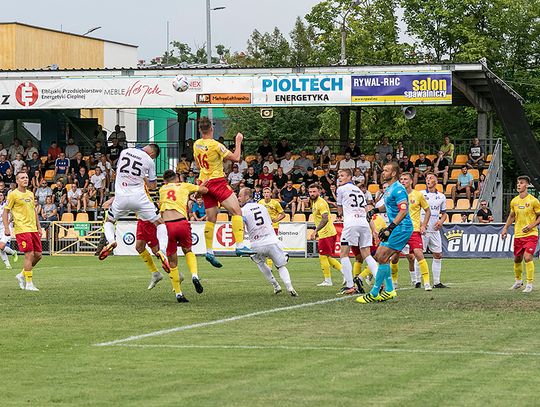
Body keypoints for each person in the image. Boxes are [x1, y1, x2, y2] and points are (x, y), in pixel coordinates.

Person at [193, 117, 255, 268]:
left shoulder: (196, 144)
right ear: (212, 129)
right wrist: (238, 141)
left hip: (204, 182)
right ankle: (239, 245)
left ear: (200, 130)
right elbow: (236, 158)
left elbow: (197, 162)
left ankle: (209, 251)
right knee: (236, 212)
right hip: (217, 181)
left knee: (211, 219)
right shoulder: (216, 145)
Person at [99, 144, 170, 274]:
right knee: (160, 223)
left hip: (120, 198)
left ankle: (111, 241)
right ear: (153, 154)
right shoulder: (149, 161)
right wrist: (145, 178)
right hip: (140, 199)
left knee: (109, 221)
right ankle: (163, 251)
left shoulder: (125, 152)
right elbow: (153, 186)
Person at [357, 162, 414, 304]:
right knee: (380, 257)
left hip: (401, 227)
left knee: (381, 256)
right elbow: (387, 206)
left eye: (386, 171)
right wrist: (375, 210)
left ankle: (375, 292)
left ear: (394, 173)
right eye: (383, 170)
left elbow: (403, 210)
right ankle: (389, 290)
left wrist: (390, 228)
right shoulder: (389, 189)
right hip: (396, 227)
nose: (383, 172)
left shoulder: (399, 189)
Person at [159, 169, 209, 302]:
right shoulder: (184, 185)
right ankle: (194, 275)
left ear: (165, 181)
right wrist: (196, 191)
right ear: (177, 178)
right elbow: (204, 190)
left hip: (168, 225)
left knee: (172, 261)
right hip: (182, 222)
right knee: (188, 250)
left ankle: (179, 293)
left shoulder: (162, 189)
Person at [238, 187, 297, 296]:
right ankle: (290, 287)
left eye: (240, 196)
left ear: (247, 196)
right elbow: (268, 222)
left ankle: (275, 285)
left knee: (260, 263)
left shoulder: (242, 211)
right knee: (281, 266)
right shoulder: (262, 207)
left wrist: (240, 242)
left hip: (256, 244)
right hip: (271, 241)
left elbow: (241, 226)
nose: (238, 198)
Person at [336, 169, 378, 295]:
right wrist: (374, 229)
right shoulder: (359, 190)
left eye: (342, 175)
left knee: (343, 254)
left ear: (349, 177)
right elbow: (367, 211)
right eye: (339, 176)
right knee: (367, 255)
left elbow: (339, 209)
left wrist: (341, 211)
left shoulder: (341, 189)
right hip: (364, 223)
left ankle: (350, 285)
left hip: (351, 223)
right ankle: (379, 282)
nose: (340, 178)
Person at [391, 172, 432, 290]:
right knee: (394, 257)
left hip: (414, 229)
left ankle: (427, 282)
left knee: (419, 254)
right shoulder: (397, 195)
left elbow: (428, 211)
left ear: (411, 181)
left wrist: (424, 225)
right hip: (400, 229)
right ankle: (394, 282)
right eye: (401, 179)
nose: (403, 181)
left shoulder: (418, 195)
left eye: (405, 179)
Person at [2, 171, 42, 291]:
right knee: (29, 254)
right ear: (17, 181)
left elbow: (34, 211)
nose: (25, 179)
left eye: (26, 177)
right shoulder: (13, 195)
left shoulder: (30, 194)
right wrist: (7, 227)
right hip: (22, 229)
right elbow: (6, 212)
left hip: (33, 229)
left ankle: (21, 275)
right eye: (22, 178)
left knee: (38, 255)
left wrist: (39, 226)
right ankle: (29, 284)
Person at [502, 176, 540, 293]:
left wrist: (531, 225)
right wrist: (505, 228)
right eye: (518, 183)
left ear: (526, 185)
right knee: (517, 259)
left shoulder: (533, 201)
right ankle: (518, 282)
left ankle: (529, 284)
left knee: (527, 257)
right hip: (518, 234)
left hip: (531, 234)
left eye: (521, 183)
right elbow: (512, 216)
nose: (519, 185)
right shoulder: (514, 201)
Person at [309, 183, 342, 286]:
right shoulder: (314, 202)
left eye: (314, 191)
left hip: (326, 233)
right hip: (325, 233)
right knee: (327, 257)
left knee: (323, 256)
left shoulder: (321, 203)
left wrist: (315, 231)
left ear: (319, 192)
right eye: (310, 192)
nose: (312, 194)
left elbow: (325, 218)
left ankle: (328, 280)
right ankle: (345, 273)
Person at [420, 173, 448, 288]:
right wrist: (420, 223)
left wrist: (440, 222)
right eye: (427, 178)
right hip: (422, 229)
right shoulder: (421, 194)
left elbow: (444, 213)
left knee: (438, 255)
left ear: (436, 182)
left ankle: (437, 282)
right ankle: (417, 281)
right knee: (419, 254)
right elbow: (414, 211)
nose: (428, 180)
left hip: (435, 230)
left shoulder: (441, 196)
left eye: (430, 178)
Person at [0, 191, 19, 269]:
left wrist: (8, 221)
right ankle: (7, 265)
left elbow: (13, 214)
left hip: (6, 228)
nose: (0, 196)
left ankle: (13, 252)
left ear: (3, 197)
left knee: (1, 246)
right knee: (1, 248)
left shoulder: (6, 205)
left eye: (1, 195)